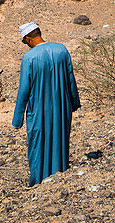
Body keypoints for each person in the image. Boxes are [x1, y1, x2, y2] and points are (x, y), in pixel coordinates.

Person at [12, 22, 81, 186]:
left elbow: (24, 91)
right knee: (60, 138)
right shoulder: (61, 50)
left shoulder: (29, 58)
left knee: (38, 143)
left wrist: (17, 119)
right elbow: (71, 78)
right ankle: (60, 173)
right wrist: (74, 103)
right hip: (62, 107)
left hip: (40, 109)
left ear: (28, 39)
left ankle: (38, 181)